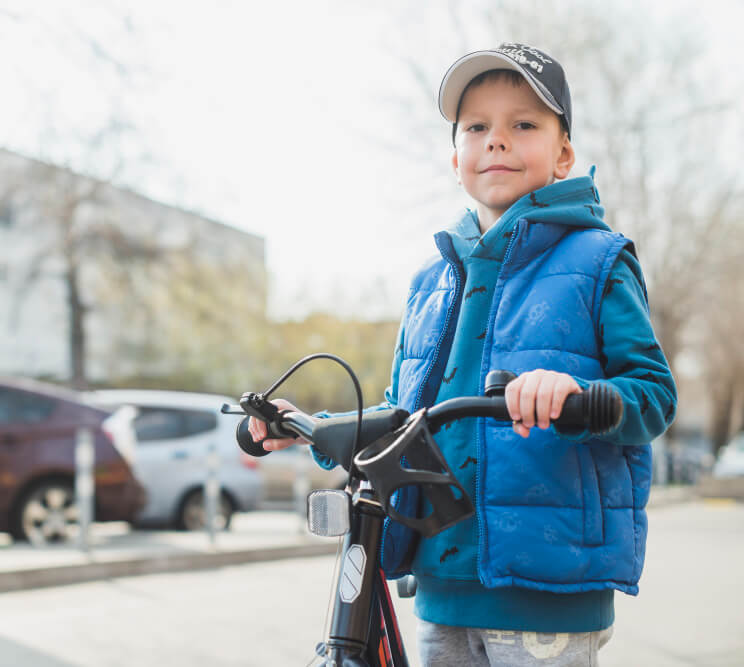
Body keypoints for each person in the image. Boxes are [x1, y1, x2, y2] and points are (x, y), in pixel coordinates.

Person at [249, 43, 677, 666]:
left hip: (546, 588)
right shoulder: (433, 277)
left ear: (563, 155)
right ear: (456, 159)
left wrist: (576, 397)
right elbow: (405, 415)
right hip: (442, 581)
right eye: (477, 127)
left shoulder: (599, 260)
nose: (496, 141)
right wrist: (312, 429)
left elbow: (654, 395)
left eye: (523, 124)